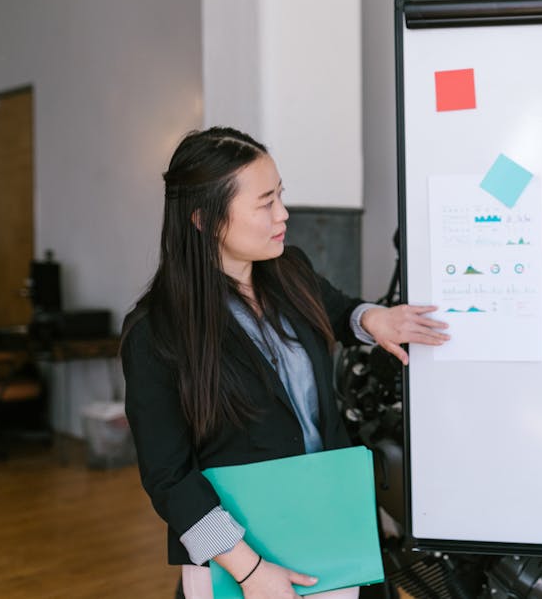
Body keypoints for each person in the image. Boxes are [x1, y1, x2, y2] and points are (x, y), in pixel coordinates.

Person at [121, 127, 449, 599]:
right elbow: (169, 479)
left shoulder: (287, 267)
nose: (283, 214)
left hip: (334, 527)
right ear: (205, 219)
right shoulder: (157, 331)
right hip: (244, 558)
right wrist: (251, 572)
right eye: (265, 202)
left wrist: (373, 318)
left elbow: (336, 308)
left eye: (281, 196)